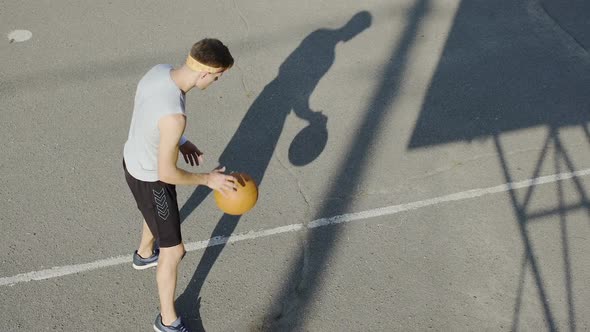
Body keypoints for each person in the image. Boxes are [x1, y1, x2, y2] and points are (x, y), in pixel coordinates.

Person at [122, 38, 236, 332]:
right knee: (174, 251)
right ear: (204, 72)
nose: (219, 80)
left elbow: (149, 113)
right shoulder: (175, 116)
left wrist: (181, 143)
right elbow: (167, 173)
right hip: (152, 178)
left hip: (132, 159)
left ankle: (145, 254)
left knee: (156, 215)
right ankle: (168, 321)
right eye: (218, 74)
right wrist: (208, 179)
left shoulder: (159, 71)